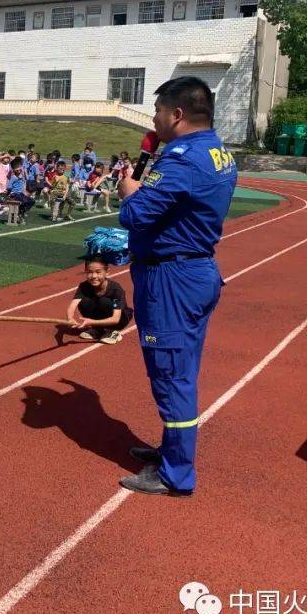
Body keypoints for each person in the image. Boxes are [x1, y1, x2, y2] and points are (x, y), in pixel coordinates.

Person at [117, 76, 236, 497]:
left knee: (172, 376)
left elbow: (135, 215)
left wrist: (128, 191)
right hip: (192, 272)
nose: (154, 119)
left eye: (158, 111)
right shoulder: (218, 151)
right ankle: (170, 451)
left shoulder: (182, 159)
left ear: (177, 114)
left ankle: (176, 474)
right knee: (180, 370)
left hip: (171, 279)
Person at [60, 257, 131, 345]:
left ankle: (113, 331)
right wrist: (70, 318)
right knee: (84, 302)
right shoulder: (84, 286)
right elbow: (72, 306)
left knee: (104, 302)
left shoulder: (115, 289)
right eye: (90, 272)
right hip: (101, 315)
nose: (93, 276)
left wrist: (91, 322)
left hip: (120, 319)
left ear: (107, 272)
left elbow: (116, 319)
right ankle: (98, 330)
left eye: (98, 272)